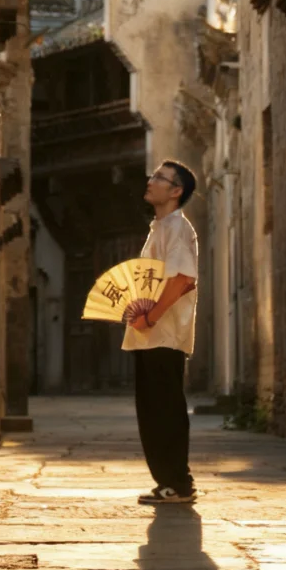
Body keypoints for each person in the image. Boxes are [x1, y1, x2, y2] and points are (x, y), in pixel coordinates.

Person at [123, 160, 199, 504]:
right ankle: (168, 482)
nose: (151, 181)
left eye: (159, 177)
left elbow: (183, 279)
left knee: (164, 409)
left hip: (164, 334)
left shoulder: (177, 228)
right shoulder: (161, 228)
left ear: (176, 191)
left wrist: (151, 317)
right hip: (151, 334)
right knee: (152, 409)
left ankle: (178, 483)